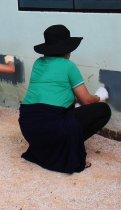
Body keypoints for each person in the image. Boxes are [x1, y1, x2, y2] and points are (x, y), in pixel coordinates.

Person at [18, 25, 112, 174]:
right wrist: (100, 95)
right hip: (52, 126)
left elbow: (52, 94)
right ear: (66, 50)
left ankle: (52, 147)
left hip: (28, 125)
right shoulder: (68, 65)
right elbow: (87, 101)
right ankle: (69, 149)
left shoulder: (38, 63)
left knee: (68, 112)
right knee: (103, 110)